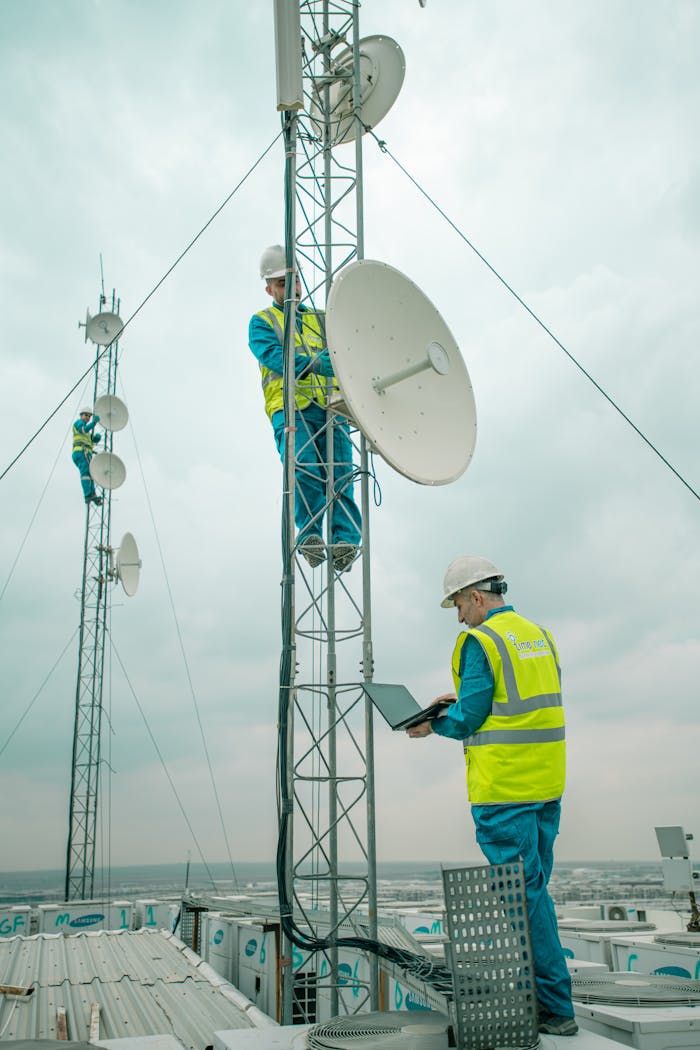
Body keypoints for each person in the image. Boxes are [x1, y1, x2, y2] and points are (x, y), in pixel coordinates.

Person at [408, 555, 577, 1038]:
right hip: (546, 785)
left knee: (522, 899)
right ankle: (550, 997)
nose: (459, 616)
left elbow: (472, 718)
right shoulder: (538, 634)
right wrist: (458, 701)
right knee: (534, 891)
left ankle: (554, 1007)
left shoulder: (477, 640)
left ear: (476, 597)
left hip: (504, 790)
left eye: (458, 605)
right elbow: (518, 703)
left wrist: (433, 722)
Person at [248, 245, 362, 571]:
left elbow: (350, 347)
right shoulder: (262, 322)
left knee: (341, 473)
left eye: (293, 280)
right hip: (290, 408)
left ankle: (345, 540)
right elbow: (274, 357)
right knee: (305, 468)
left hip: (330, 407)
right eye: (282, 283)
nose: (291, 288)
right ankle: (310, 534)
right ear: (269, 288)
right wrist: (314, 364)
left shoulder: (320, 319)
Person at [72, 407, 103, 506]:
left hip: (85, 453)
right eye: (86, 415)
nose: (88, 418)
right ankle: (88, 495)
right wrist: (94, 423)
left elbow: (88, 438)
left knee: (90, 475)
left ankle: (92, 495)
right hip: (80, 452)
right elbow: (83, 430)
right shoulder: (78, 423)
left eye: (89, 416)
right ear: (81, 415)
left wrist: (94, 439)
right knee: (85, 474)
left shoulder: (87, 432)